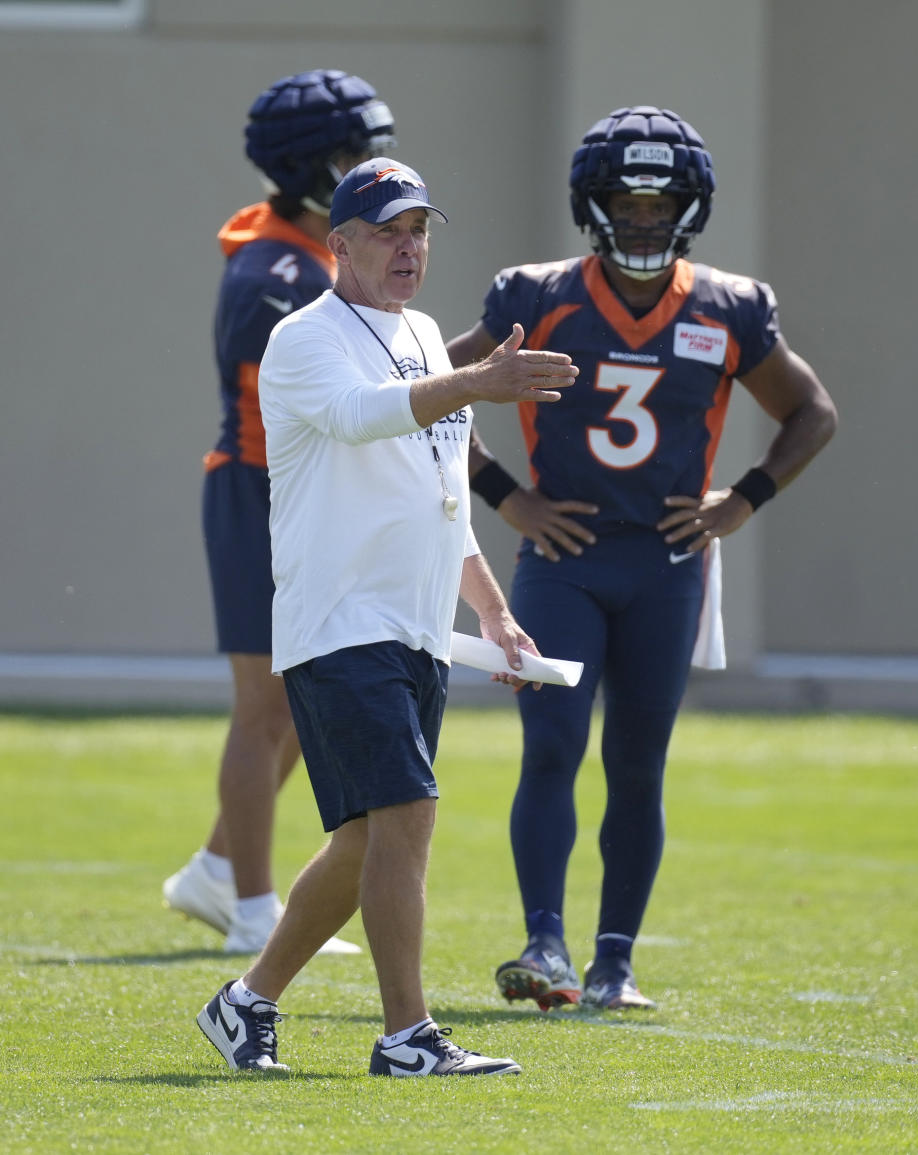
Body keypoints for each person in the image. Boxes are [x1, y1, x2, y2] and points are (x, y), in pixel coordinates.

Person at [448, 105, 838, 1011]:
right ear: (594, 203)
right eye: (628, 200)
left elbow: (812, 412)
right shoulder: (536, 294)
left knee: (638, 761)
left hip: (667, 566)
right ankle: (544, 945)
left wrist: (743, 499)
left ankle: (613, 964)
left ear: (691, 210)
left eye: (663, 205)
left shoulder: (728, 306)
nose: (644, 220)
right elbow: (440, 397)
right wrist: (511, 496)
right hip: (565, 563)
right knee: (551, 747)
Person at [195, 158, 579, 1076]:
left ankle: (244, 1003)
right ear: (341, 246)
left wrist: (493, 610)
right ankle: (408, 1035)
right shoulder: (303, 337)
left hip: (411, 627)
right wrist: (476, 382)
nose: (409, 247)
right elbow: (362, 416)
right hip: (340, 623)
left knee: (367, 836)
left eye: (420, 231)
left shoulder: (422, 334)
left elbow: (441, 486)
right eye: (387, 230)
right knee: (408, 812)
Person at [162, 70, 398, 954]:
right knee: (265, 708)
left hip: (305, 490)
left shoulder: (307, 252)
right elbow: (342, 397)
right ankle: (253, 909)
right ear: (304, 165)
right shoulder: (272, 270)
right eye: (350, 155)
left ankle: (220, 870)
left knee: (303, 702)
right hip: (263, 487)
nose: (368, 169)